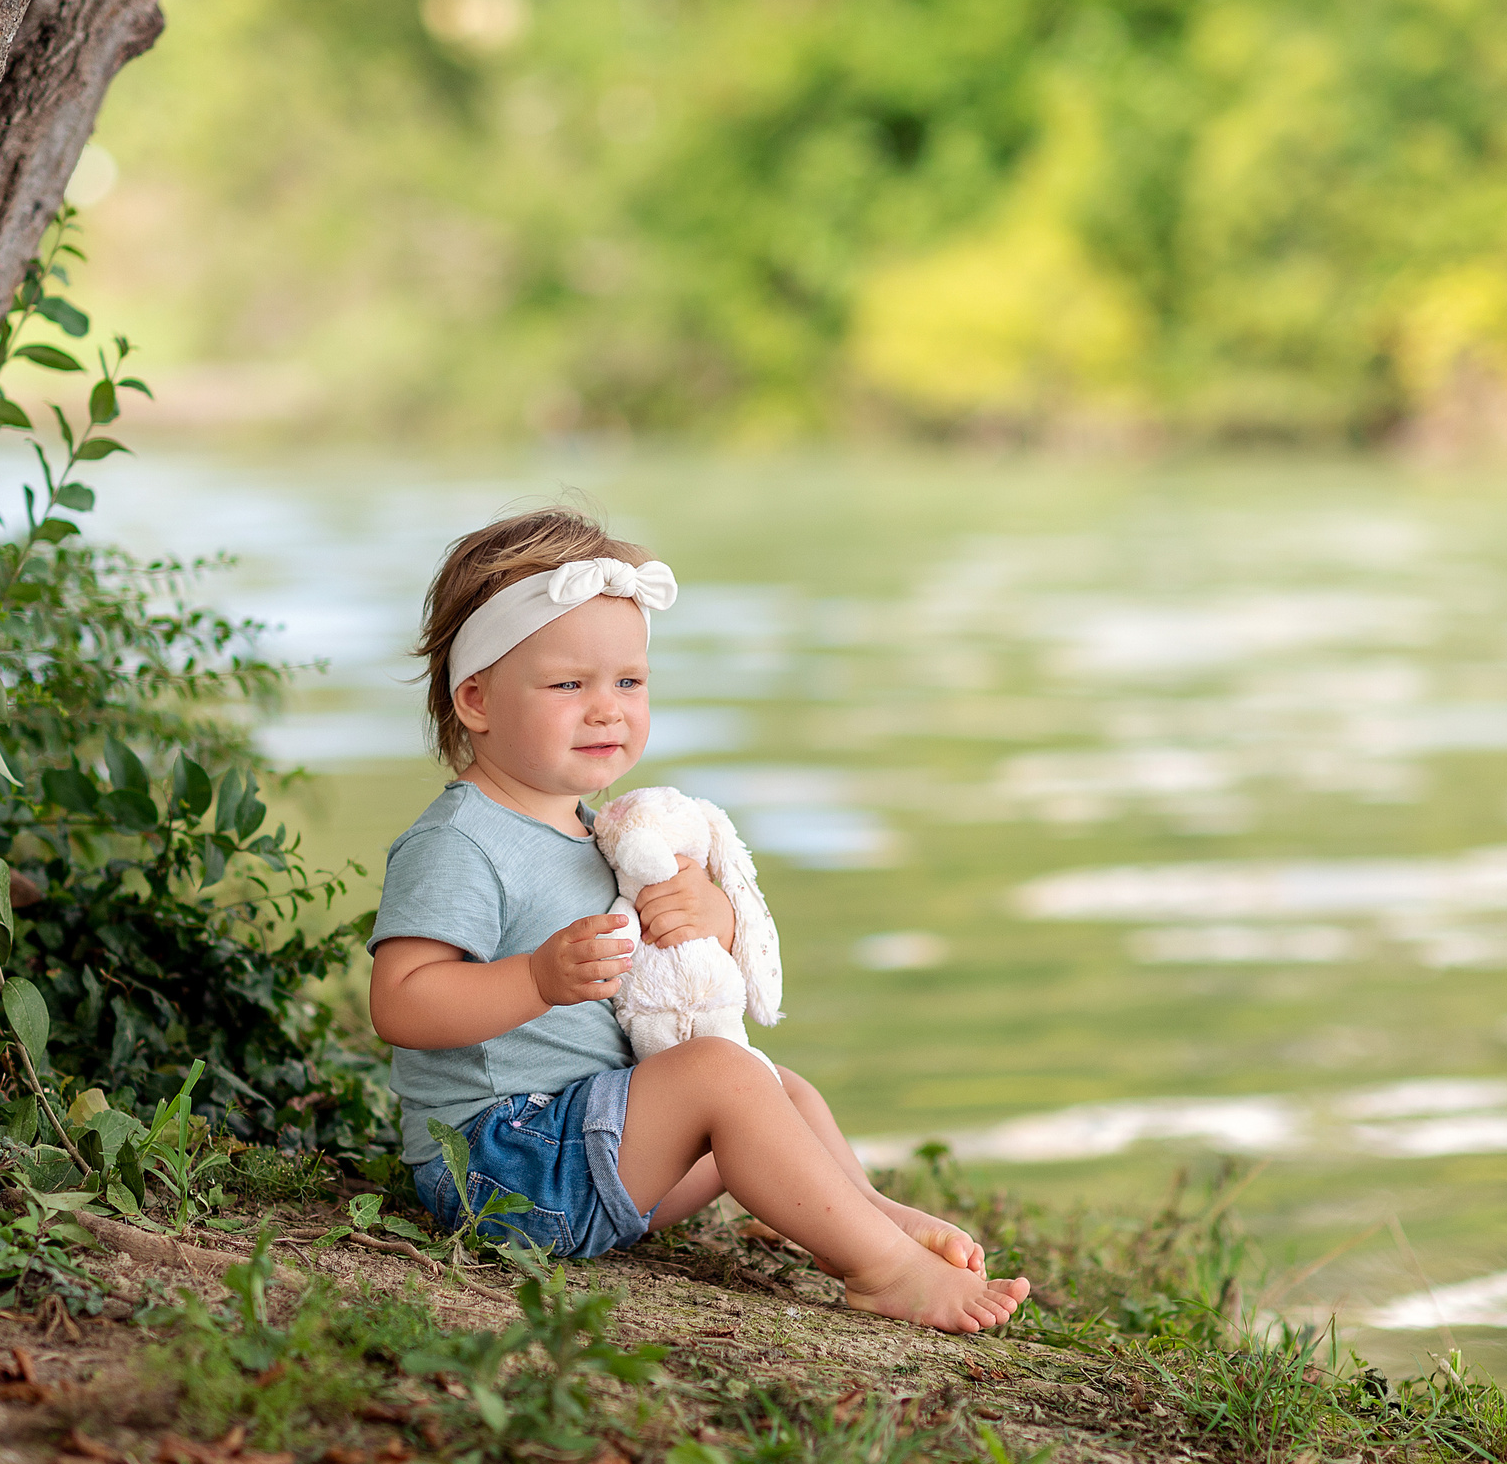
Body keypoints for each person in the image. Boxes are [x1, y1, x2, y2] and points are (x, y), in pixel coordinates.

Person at [367, 508, 1032, 1333]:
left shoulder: (597, 830)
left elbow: (651, 971)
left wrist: (708, 916)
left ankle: (861, 1215)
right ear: (477, 700)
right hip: (503, 1167)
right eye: (569, 685)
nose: (607, 710)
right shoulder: (461, 841)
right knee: (722, 1076)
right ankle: (884, 1270)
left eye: (629, 683)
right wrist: (535, 979)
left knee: (774, 1085)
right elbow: (400, 1002)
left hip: (591, 1142)